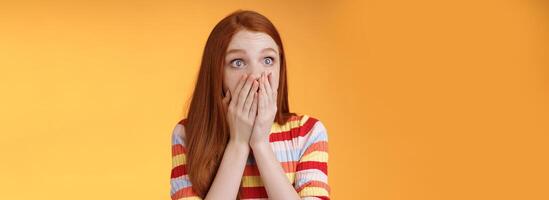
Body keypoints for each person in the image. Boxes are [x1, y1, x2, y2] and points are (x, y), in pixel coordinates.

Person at [170, 10, 330, 200]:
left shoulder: (308, 132)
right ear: (217, 72)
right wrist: (238, 143)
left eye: (268, 60)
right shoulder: (187, 134)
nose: (255, 74)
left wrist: (260, 143)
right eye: (238, 62)